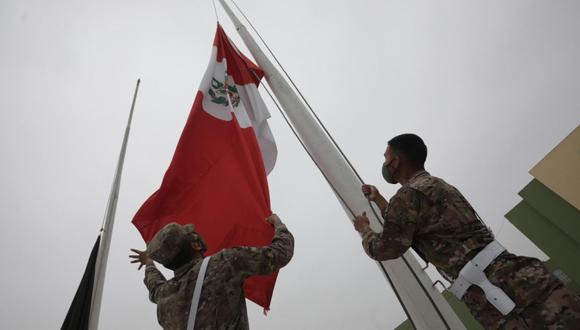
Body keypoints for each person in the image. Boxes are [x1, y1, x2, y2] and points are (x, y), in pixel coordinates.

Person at [353, 133, 580, 329]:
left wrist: (365, 232)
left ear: (396, 161)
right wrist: (380, 200)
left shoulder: (407, 197)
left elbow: (386, 248)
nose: (385, 163)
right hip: (525, 278)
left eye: (386, 157)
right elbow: (414, 223)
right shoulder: (439, 185)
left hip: (498, 296)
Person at [129, 213, 294, 330]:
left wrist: (149, 263)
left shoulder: (165, 296)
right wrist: (278, 224)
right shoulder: (223, 264)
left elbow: (154, 286)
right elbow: (281, 253)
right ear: (196, 244)